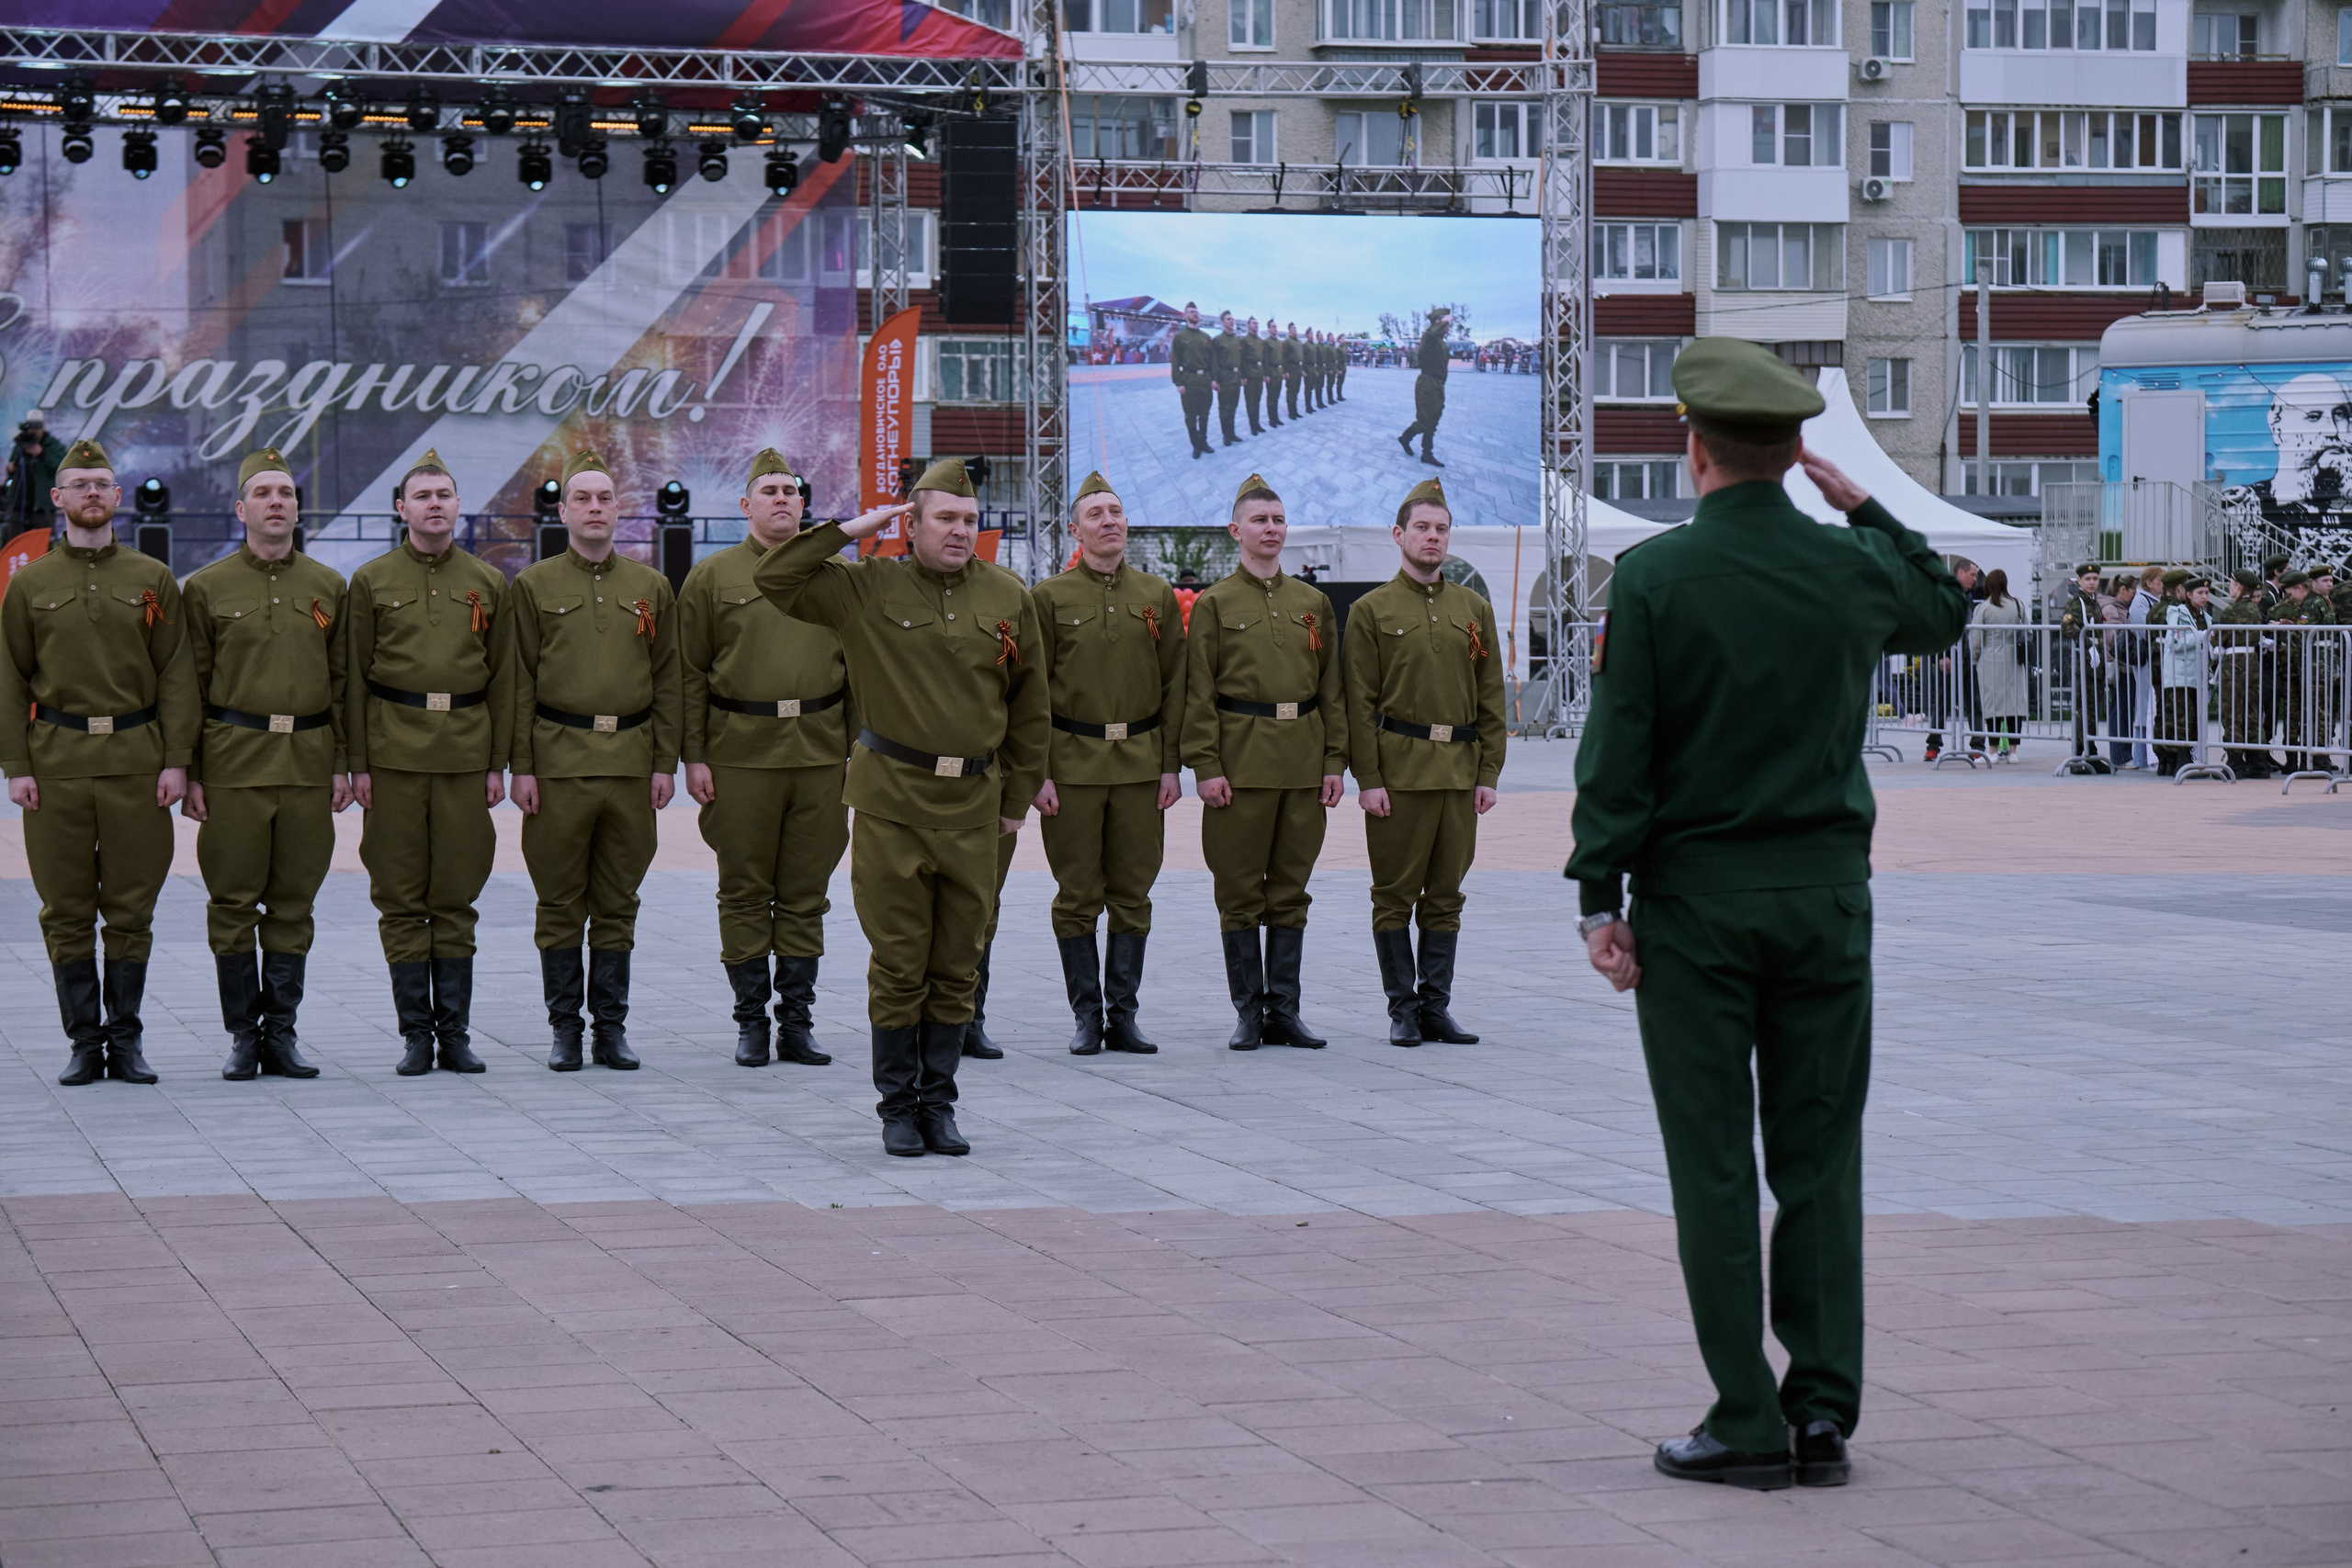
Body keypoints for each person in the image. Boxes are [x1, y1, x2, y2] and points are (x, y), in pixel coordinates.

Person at [1567, 337, 1966, 1492]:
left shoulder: (1653, 578)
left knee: (1712, 1167)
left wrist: (1600, 896)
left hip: (1695, 910)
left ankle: (1745, 1417)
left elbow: (1619, 754)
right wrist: (1868, 508)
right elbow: (1944, 611)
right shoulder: (1848, 566)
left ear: (1692, 450)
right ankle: (1823, 1411)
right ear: (1797, 455)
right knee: (1819, 1159)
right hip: (1826, 904)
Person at [754, 459, 1046, 1157]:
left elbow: (1030, 703)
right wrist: (850, 530)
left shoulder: (1007, 595)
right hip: (892, 802)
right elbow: (776, 577)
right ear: (911, 524)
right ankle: (897, 1107)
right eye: (944, 518)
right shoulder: (866, 587)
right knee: (899, 961)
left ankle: (938, 1104)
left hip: (974, 806)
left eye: (969, 520)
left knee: (957, 963)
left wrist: (1015, 800)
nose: (959, 531)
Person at [0, 437, 197, 1087]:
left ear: (117, 496)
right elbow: (10, 679)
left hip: (138, 763)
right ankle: (85, 1043)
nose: (92, 493)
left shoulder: (151, 578)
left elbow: (175, 674)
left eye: (102, 484)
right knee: (65, 908)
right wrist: (16, 765)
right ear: (58, 498)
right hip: (55, 764)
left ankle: (126, 1041)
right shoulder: (30, 583)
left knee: (132, 908)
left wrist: (177, 760)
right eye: (79, 484)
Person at [508, 449, 683, 1072]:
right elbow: (519, 681)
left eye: (605, 498)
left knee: (617, 900)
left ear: (618, 509)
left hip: (631, 764)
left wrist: (665, 762)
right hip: (559, 763)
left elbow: (669, 679)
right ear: (563, 511)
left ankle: (611, 1029)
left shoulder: (651, 587)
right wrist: (521, 766)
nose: (594, 508)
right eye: (582, 498)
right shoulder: (534, 586)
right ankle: (565, 1030)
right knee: (560, 901)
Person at [680, 449, 853, 1070]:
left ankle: (797, 1024)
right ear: (745, 505)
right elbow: (689, 672)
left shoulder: (836, 574)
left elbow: (861, 669)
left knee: (806, 891)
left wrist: (857, 749)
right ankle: (751, 1022)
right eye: (769, 490)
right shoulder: (712, 577)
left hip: (820, 752)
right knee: (744, 891)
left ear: (803, 504)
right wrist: (694, 755)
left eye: (791, 490)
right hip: (740, 752)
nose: (782, 498)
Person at [182, 447, 350, 1082]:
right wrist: (191, 770)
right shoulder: (206, 588)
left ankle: (281, 1033)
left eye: (286, 493)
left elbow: (344, 682)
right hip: (234, 764)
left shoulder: (328, 586)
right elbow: (189, 687)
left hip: (307, 763)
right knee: (231, 903)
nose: (276, 502)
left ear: (299, 509)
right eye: (263, 493)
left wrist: (343, 763)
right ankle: (242, 1037)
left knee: (293, 903)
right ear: (241, 509)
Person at [345, 451, 511, 1077]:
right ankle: (416, 1035)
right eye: (422, 496)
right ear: (401, 508)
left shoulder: (488, 581)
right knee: (399, 895)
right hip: (393, 755)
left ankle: (455, 1034)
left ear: (458, 504)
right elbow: (354, 678)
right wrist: (358, 762)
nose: (434, 504)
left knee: (456, 894)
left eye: (443, 494)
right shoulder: (371, 581)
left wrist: (497, 763)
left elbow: (504, 679)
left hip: (465, 753)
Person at [1183, 472, 1347, 1051]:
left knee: (1291, 889)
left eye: (1278, 520)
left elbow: (1332, 690)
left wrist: (1335, 761)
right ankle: (1249, 1012)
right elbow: (1198, 692)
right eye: (1259, 520)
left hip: (1302, 763)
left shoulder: (1313, 604)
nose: (1271, 529)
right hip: (1241, 765)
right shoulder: (1215, 604)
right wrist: (1206, 766)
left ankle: (1284, 1011)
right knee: (1238, 891)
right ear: (1236, 531)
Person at [1342, 477, 1506, 1047]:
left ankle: (1436, 1008)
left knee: (1446, 895)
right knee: (1393, 894)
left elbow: (1491, 697)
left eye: (1441, 529)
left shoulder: (1473, 608)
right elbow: (1358, 702)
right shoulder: (1371, 610)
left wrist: (1488, 773)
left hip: (1459, 772)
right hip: (1399, 773)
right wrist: (1368, 779)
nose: (1433, 537)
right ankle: (1402, 1010)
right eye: (1422, 528)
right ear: (1399, 535)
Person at [1031, 471, 1186, 1055]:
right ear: (1075, 530)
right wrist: (1039, 772)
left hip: (1141, 766)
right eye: (1095, 514)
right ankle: (1086, 1016)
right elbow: (1032, 693)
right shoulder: (1049, 598)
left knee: (1133, 892)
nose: (1109, 521)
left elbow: (1175, 685)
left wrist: (1170, 765)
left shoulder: (1156, 595)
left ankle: (1122, 1015)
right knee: (1077, 894)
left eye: (1116, 512)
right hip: (1072, 767)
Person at [1922, 558, 1985, 761]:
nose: (1975, 579)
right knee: (1942, 703)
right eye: (1972, 574)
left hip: (1967, 657)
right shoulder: (1945, 594)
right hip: (1950, 658)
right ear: (1960, 573)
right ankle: (1933, 746)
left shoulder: (1965, 597)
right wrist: (1942, 656)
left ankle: (1977, 745)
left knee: (1974, 702)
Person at [2213, 568, 2270, 779]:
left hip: (2234, 662)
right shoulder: (2255, 610)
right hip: (2252, 661)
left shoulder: (2232, 611)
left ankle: (2235, 763)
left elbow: (2219, 639)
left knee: (2232, 712)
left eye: (2231, 583)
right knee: (2252, 712)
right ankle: (2259, 763)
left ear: (2238, 586)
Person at [2155, 576, 2214, 775]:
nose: (2205, 596)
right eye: (2200, 593)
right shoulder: (2177, 612)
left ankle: (2187, 757)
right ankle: (2180, 758)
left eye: (2206, 593)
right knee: (2181, 718)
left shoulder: (2206, 617)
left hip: (2198, 675)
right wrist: (2201, 635)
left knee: (2194, 719)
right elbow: (2175, 642)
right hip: (2179, 675)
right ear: (2188, 595)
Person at [1967, 568, 2027, 760]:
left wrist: (1974, 659)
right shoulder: (2017, 605)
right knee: (2014, 705)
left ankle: (1992, 749)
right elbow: (2029, 632)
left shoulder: (1984, 608)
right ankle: (2013, 751)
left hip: (1990, 658)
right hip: (2014, 659)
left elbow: (1976, 638)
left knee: (1993, 705)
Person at [2055, 564, 2103, 764]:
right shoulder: (2078, 602)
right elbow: (2068, 625)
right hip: (2082, 663)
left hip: (2094, 662)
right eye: (2088, 579)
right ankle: (2080, 753)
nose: (2092, 582)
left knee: (2092, 709)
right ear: (2079, 581)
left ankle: (2090, 751)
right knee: (2083, 709)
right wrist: (2088, 644)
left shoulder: (2093, 602)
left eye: (2095, 578)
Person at [1396, 307, 1452, 468]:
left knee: (1434, 418)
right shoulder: (1429, 337)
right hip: (1428, 383)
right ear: (1438, 322)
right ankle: (1406, 438)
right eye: (1446, 324)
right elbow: (1432, 333)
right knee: (1424, 421)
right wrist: (1446, 320)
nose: (1448, 327)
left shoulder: (1440, 341)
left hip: (1437, 384)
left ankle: (1427, 453)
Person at [3, 410, 62, 530]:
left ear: (43, 427)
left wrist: (42, 454)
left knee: (42, 538)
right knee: (14, 536)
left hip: (42, 505)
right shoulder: (20, 445)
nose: (34, 431)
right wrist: (11, 468)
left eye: (37, 428)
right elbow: (12, 466)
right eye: (31, 428)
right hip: (19, 503)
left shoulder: (53, 446)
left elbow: (60, 467)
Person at [1170, 303, 1215, 459]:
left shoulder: (1206, 337)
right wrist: (1179, 383)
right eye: (1191, 312)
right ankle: (1195, 444)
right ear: (1185, 315)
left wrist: (1213, 379)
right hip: (1189, 380)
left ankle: (1203, 442)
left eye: (1196, 311)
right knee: (1190, 416)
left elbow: (1212, 360)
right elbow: (1175, 361)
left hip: (1205, 380)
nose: (1195, 314)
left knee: (1204, 414)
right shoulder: (1180, 337)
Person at [1213, 310, 1247, 448]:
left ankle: (1232, 433)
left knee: (1233, 407)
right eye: (1228, 319)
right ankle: (1226, 435)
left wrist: (1242, 376)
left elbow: (1242, 359)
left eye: (1232, 319)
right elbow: (1214, 361)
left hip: (1236, 378)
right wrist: (1215, 380)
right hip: (1224, 378)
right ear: (1222, 323)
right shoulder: (1218, 340)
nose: (1231, 321)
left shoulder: (1237, 340)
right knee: (1224, 409)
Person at [1240, 316, 1269, 436]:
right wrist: (1243, 376)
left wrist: (1265, 373)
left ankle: (1257, 423)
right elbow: (1242, 359)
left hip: (1259, 373)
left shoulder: (1261, 341)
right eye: (1253, 323)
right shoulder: (1244, 340)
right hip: (1250, 374)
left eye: (1257, 323)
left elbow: (1264, 358)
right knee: (1250, 401)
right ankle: (1252, 425)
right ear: (1248, 326)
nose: (1256, 325)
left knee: (1257, 401)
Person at [1280, 323, 1305, 422]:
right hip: (1291, 369)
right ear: (1290, 330)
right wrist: (1285, 371)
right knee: (1291, 391)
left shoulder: (1298, 341)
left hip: (1298, 369)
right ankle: (1291, 412)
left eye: (1296, 328)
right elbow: (1284, 358)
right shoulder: (1287, 342)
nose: (1295, 330)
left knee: (1296, 390)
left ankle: (1295, 410)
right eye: (1294, 328)